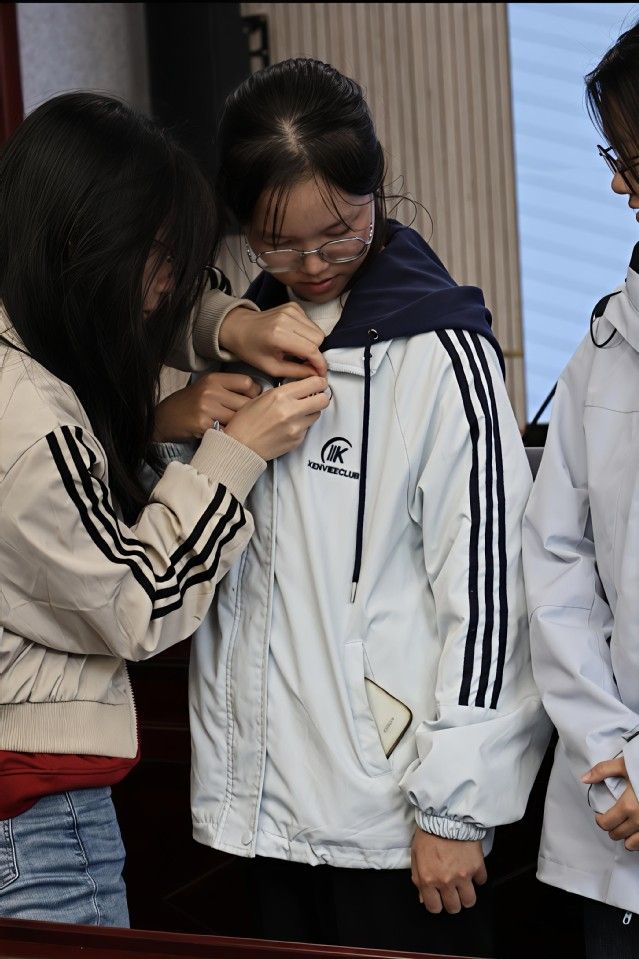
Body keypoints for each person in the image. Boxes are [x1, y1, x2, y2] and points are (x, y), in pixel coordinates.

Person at [158, 58, 550, 956]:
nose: (310, 265)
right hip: (265, 816)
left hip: (398, 827)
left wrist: (455, 806)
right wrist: (176, 427)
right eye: (276, 243)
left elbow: (492, 593)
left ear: (376, 186)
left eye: (338, 233)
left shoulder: (440, 355)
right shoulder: (243, 347)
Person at [0, 91, 330, 927]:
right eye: (155, 257)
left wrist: (231, 330)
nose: (163, 292)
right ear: (79, 243)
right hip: (35, 829)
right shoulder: (32, 423)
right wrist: (235, 454)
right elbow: (137, 602)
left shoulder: (23, 328)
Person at [523, 20, 639, 959]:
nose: (617, 185)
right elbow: (556, 568)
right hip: (613, 818)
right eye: (617, 157)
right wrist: (614, 759)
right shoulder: (604, 346)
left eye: (632, 160)